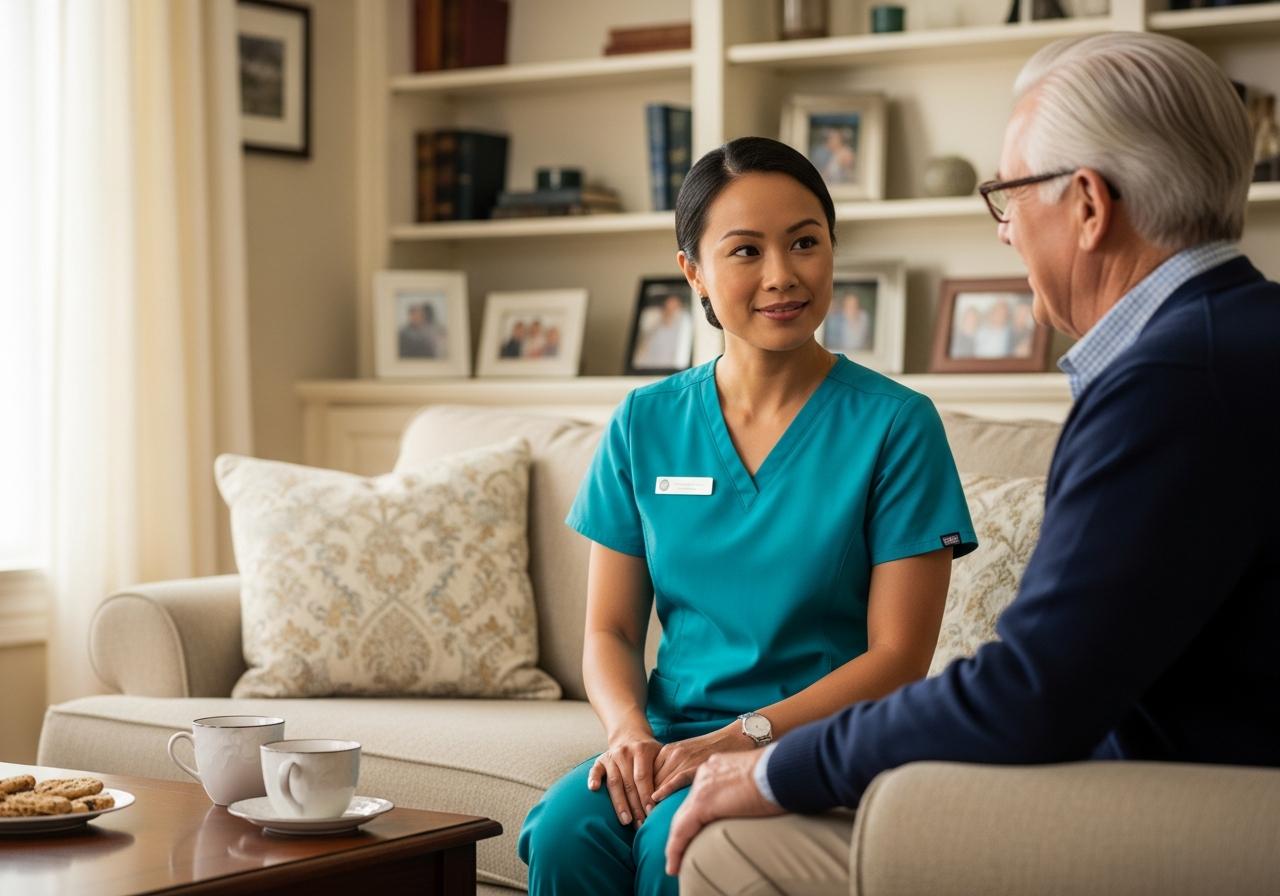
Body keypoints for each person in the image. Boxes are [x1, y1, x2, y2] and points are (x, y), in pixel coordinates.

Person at [665, 31, 1280, 894]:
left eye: (1010, 195)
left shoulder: (1172, 384)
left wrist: (773, 767)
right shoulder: (1239, 338)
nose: (1003, 232)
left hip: (1229, 803)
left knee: (731, 845)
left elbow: (1033, 693)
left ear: (1090, 207)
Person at [516, 136, 979, 896]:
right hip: (669, 737)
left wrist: (741, 738)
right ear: (692, 271)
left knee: (677, 844)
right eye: (745, 251)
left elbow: (898, 660)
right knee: (568, 831)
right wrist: (629, 733)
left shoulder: (897, 426)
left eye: (805, 242)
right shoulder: (644, 421)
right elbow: (610, 630)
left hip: (818, 745)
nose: (781, 276)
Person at [632, 293, 693, 370]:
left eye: (675, 305)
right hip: (647, 360)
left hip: (667, 363)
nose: (672, 307)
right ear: (665, 304)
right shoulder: (653, 316)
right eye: (670, 303)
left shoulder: (683, 323)